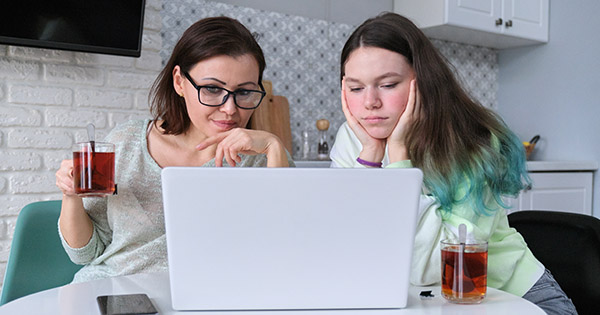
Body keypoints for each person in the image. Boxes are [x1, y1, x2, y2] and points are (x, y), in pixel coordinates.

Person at [329, 12, 577, 314]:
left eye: (388, 84)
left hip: (512, 298)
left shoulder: (474, 143)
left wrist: (397, 156)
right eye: (355, 88)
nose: (369, 103)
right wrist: (369, 156)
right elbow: (349, 239)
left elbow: (430, 267)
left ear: (423, 83)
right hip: (421, 300)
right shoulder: (354, 138)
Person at [55, 16, 293, 283]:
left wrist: (274, 146)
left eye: (245, 92)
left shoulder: (265, 160)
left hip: (211, 296)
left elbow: (284, 251)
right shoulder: (127, 143)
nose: (230, 108)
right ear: (179, 82)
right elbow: (85, 254)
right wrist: (71, 196)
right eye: (213, 89)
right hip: (117, 290)